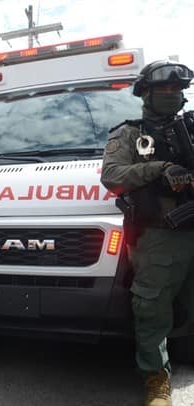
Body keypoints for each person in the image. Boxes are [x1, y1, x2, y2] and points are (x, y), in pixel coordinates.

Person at [101, 60, 194, 406]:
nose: (171, 94)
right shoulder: (129, 133)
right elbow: (111, 175)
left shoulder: (192, 126)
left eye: (177, 89)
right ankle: (157, 381)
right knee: (152, 310)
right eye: (163, 89)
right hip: (159, 238)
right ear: (146, 93)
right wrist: (160, 169)